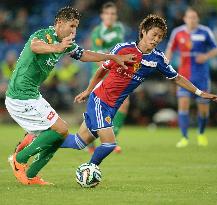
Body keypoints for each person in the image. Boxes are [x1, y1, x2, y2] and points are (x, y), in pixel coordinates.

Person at [16, 14, 217, 178]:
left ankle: (35, 138)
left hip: (112, 107)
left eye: (160, 37)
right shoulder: (123, 49)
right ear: (143, 32)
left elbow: (177, 78)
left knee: (77, 143)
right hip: (100, 101)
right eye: (153, 34)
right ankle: (89, 170)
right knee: (110, 143)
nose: (156, 40)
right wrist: (88, 91)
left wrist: (200, 93)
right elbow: (102, 70)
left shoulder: (158, 60)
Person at [6, 6, 135, 186]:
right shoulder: (46, 36)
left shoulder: (65, 44)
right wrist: (57, 47)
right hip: (19, 95)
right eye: (71, 26)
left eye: (76, 27)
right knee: (61, 129)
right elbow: (35, 46)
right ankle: (19, 160)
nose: (74, 31)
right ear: (59, 23)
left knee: (58, 135)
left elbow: (84, 55)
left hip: (32, 95)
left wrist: (112, 57)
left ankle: (31, 175)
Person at [165, 7, 217, 148]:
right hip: (184, 75)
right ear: (185, 19)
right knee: (183, 105)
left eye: (194, 17)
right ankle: (184, 137)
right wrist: (165, 64)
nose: (192, 20)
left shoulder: (205, 31)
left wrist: (206, 56)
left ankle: (201, 133)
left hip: (201, 76)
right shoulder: (178, 32)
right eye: (190, 17)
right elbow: (170, 50)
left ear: (198, 19)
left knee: (203, 109)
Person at [89, 1, 128, 153]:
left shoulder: (119, 28)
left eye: (113, 14)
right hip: (102, 72)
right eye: (108, 14)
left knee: (124, 103)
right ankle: (90, 141)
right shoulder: (97, 33)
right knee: (99, 108)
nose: (110, 17)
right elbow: (99, 57)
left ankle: (113, 139)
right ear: (102, 16)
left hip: (116, 71)